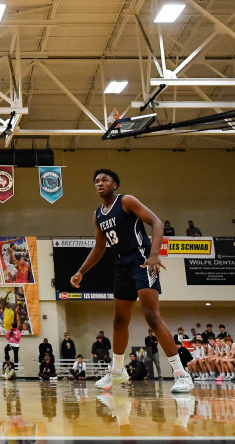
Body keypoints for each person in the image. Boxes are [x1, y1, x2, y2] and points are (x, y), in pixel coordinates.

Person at [71, 168, 193, 393]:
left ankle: (181, 374)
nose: (99, 183)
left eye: (104, 180)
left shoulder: (126, 201)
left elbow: (156, 222)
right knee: (119, 320)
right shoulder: (98, 214)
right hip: (121, 265)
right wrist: (81, 271)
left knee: (151, 317)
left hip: (141, 259)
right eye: (96, 181)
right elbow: (100, 247)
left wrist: (154, 253)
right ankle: (117, 372)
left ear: (114, 184)